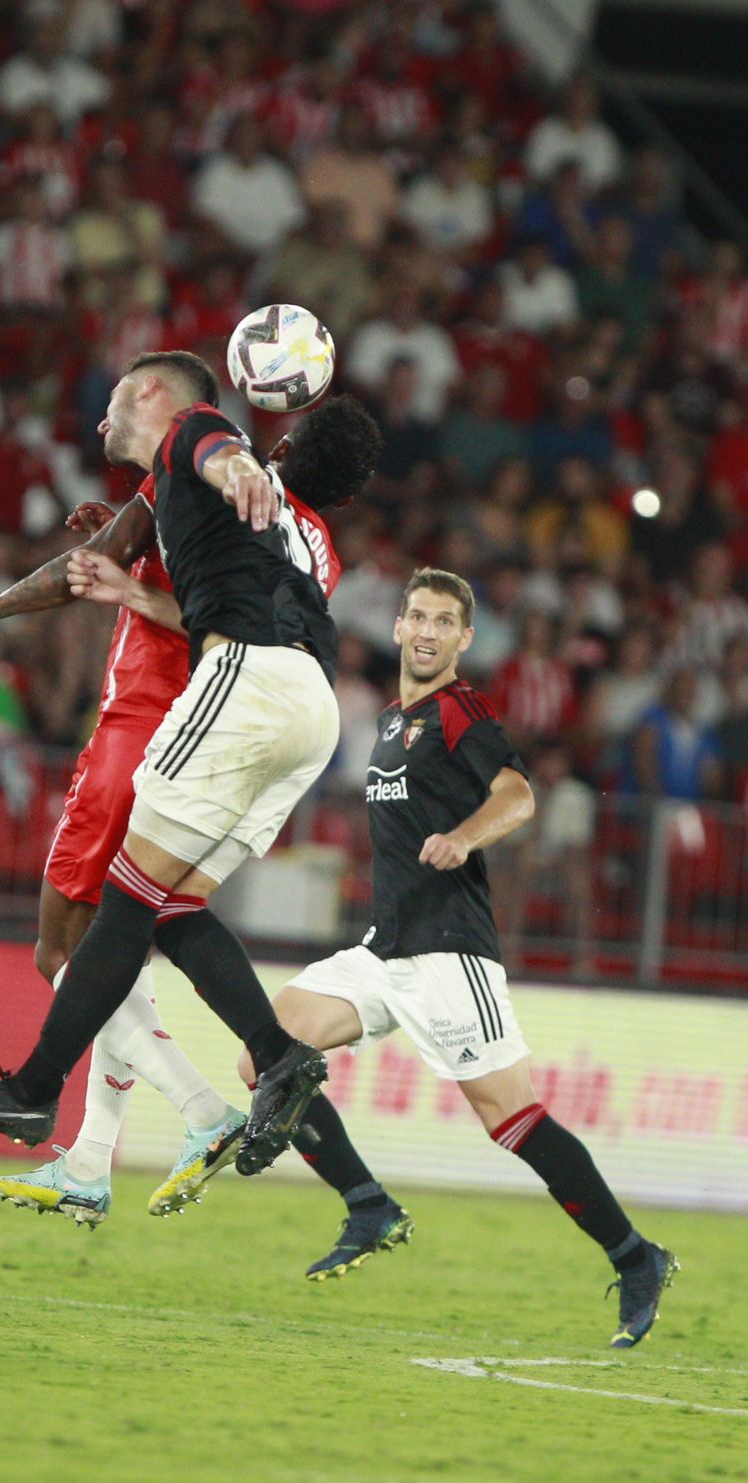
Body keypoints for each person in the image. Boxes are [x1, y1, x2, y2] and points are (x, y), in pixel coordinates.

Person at [0, 356, 376, 1179]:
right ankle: (179, 1112)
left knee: (85, 933)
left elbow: (214, 453)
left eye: (121, 393)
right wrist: (152, 545)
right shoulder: (312, 546)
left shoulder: (203, 439)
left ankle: (82, 1100)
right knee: (167, 909)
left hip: (204, 699)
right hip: (313, 710)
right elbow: (207, 585)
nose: (104, 413)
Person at [227, 568, 677, 1348]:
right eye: (418, 617)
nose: (429, 631)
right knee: (265, 1053)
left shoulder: (460, 711)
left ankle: (636, 1257)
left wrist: (466, 837)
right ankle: (368, 1204)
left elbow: (519, 794)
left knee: (510, 1119)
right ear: (399, 627)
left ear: (465, 639)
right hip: (385, 948)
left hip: (449, 951)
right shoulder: (393, 722)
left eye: (445, 621)